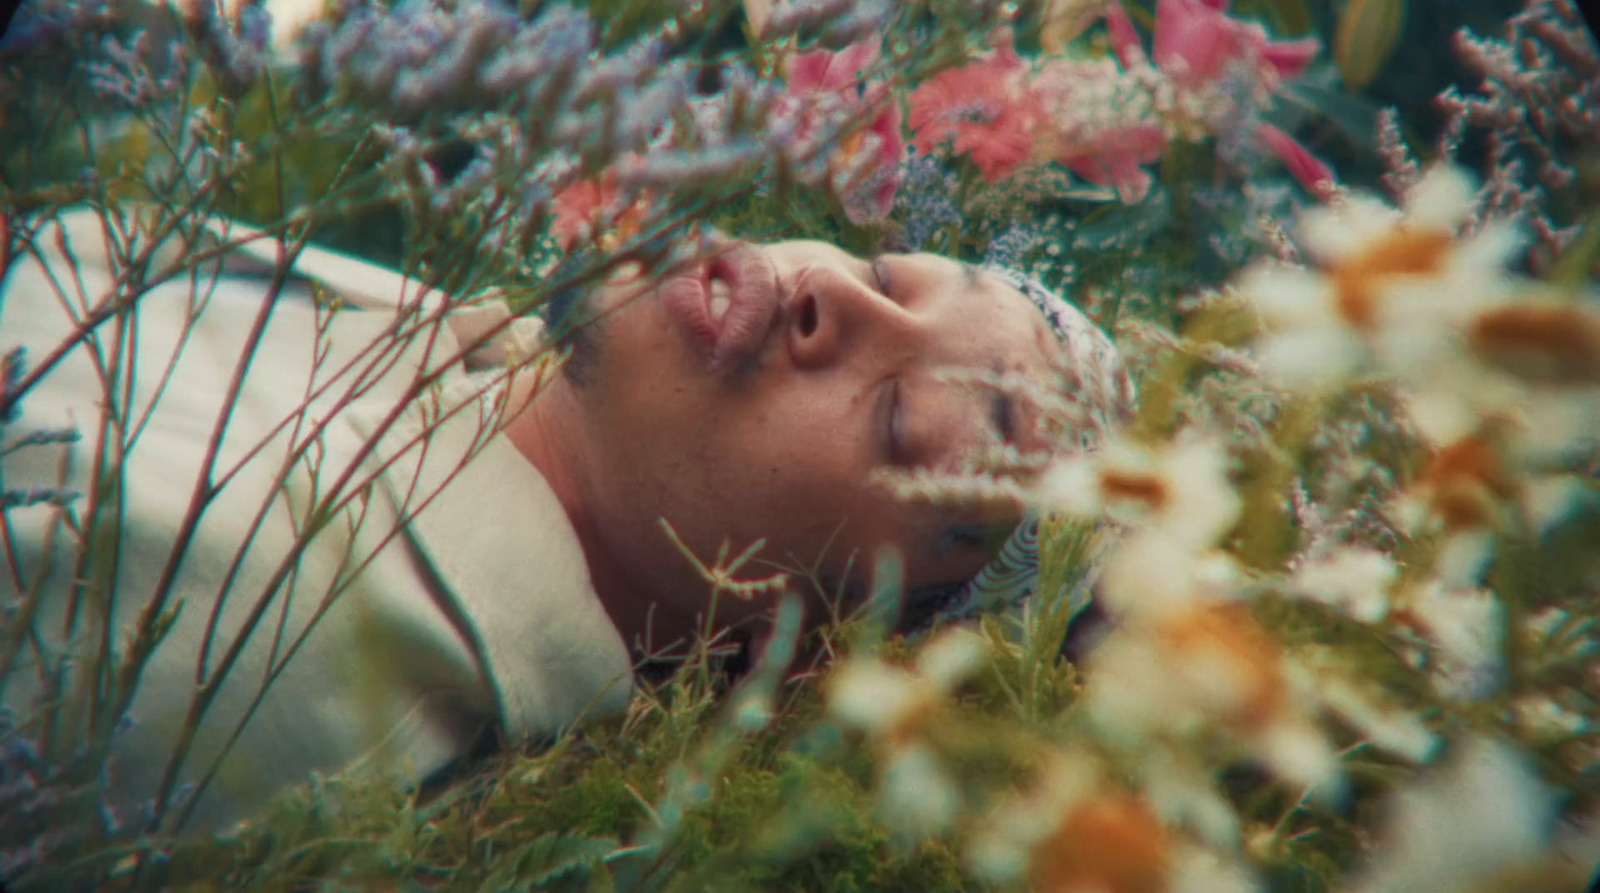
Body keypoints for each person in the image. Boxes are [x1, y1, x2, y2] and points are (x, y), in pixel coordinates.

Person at [0, 205, 1132, 834]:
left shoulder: (278, 634)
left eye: (901, 418)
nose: (827, 289)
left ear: (804, 646)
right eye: (893, 267)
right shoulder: (458, 352)